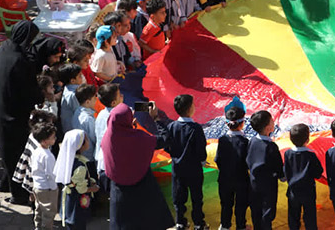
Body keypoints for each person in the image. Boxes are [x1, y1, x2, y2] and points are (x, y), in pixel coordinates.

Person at [103, 103, 174, 229]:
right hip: (142, 187)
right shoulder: (139, 138)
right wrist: (156, 119)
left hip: (119, 191)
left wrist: (130, 128)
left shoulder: (108, 137)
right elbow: (164, 139)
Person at [0, 20, 42, 204]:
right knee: (17, 153)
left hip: (1, 108)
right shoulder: (18, 60)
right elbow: (28, 91)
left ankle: (5, 183)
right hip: (14, 114)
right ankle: (19, 195)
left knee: (8, 151)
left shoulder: (5, 48)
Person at [158, 94, 208, 230]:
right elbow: (201, 149)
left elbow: (167, 145)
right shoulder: (196, 128)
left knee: (179, 197)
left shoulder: (172, 126)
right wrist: (203, 161)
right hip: (194, 169)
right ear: (191, 108)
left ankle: (180, 221)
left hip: (178, 168)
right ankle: (199, 223)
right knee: (197, 197)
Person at [246, 110, 284, 230]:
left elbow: (248, 159)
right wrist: (282, 176)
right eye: (272, 120)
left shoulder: (252, 141)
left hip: (254, 182)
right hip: (268, 184)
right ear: (268, 127)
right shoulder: (271, 147)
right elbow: (278, 166)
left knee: (256, 210)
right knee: (268, 211)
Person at [55, 129, 99, 230]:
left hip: (68, 199)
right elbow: (81, 189)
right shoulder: (80, 167)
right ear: (80, 145)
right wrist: (93, 188)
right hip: (77, 204)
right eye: (86, 139)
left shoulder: (67, 160)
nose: (88, 141)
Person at [216, 101, 250, 230]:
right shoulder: (245, 142)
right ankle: (241, 226)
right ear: (242, 123)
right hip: (241, 180)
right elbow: (248, 162)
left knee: (226, 204)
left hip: (225, 179)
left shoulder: (222, 140)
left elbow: (218, 159)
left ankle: (225, 225)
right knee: (241, 204)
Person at [283, 123, 324, 230]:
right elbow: (318, 172)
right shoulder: (310, 155)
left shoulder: (288, 154)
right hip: (308, 192)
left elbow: (286, 171)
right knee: (310, 216)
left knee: (293, 216)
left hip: (293, 192)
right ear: (307, 139)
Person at [29, 122, 58, 230]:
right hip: (47, 188)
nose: (55, 138)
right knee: (49, 212)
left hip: (37, 186)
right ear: (46, 140)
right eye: (53, 137)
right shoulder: (48, 156)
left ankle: (38, 227)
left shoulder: (36, 151)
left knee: (39, 209)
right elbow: (51, 174)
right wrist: (54, 187)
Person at [95, 83, 121, 192]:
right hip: (112, 163)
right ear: (114, 102)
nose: (122, 96)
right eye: (120, 95)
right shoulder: (117, 116)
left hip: (101, 161)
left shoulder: (101, 114)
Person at [71, 84, 98, 162]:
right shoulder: (88, 119)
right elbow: (95, 138)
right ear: (87, 102)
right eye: (94, 98)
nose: (96, 100)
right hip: (89, 157)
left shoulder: (77, 112)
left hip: (80, 153)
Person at [59, 64, 85, 132]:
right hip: (73, 130)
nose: (82, 77)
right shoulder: (73, 95)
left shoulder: (67, 89)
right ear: (73, 81)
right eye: (79, 76)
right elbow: (80, 113)